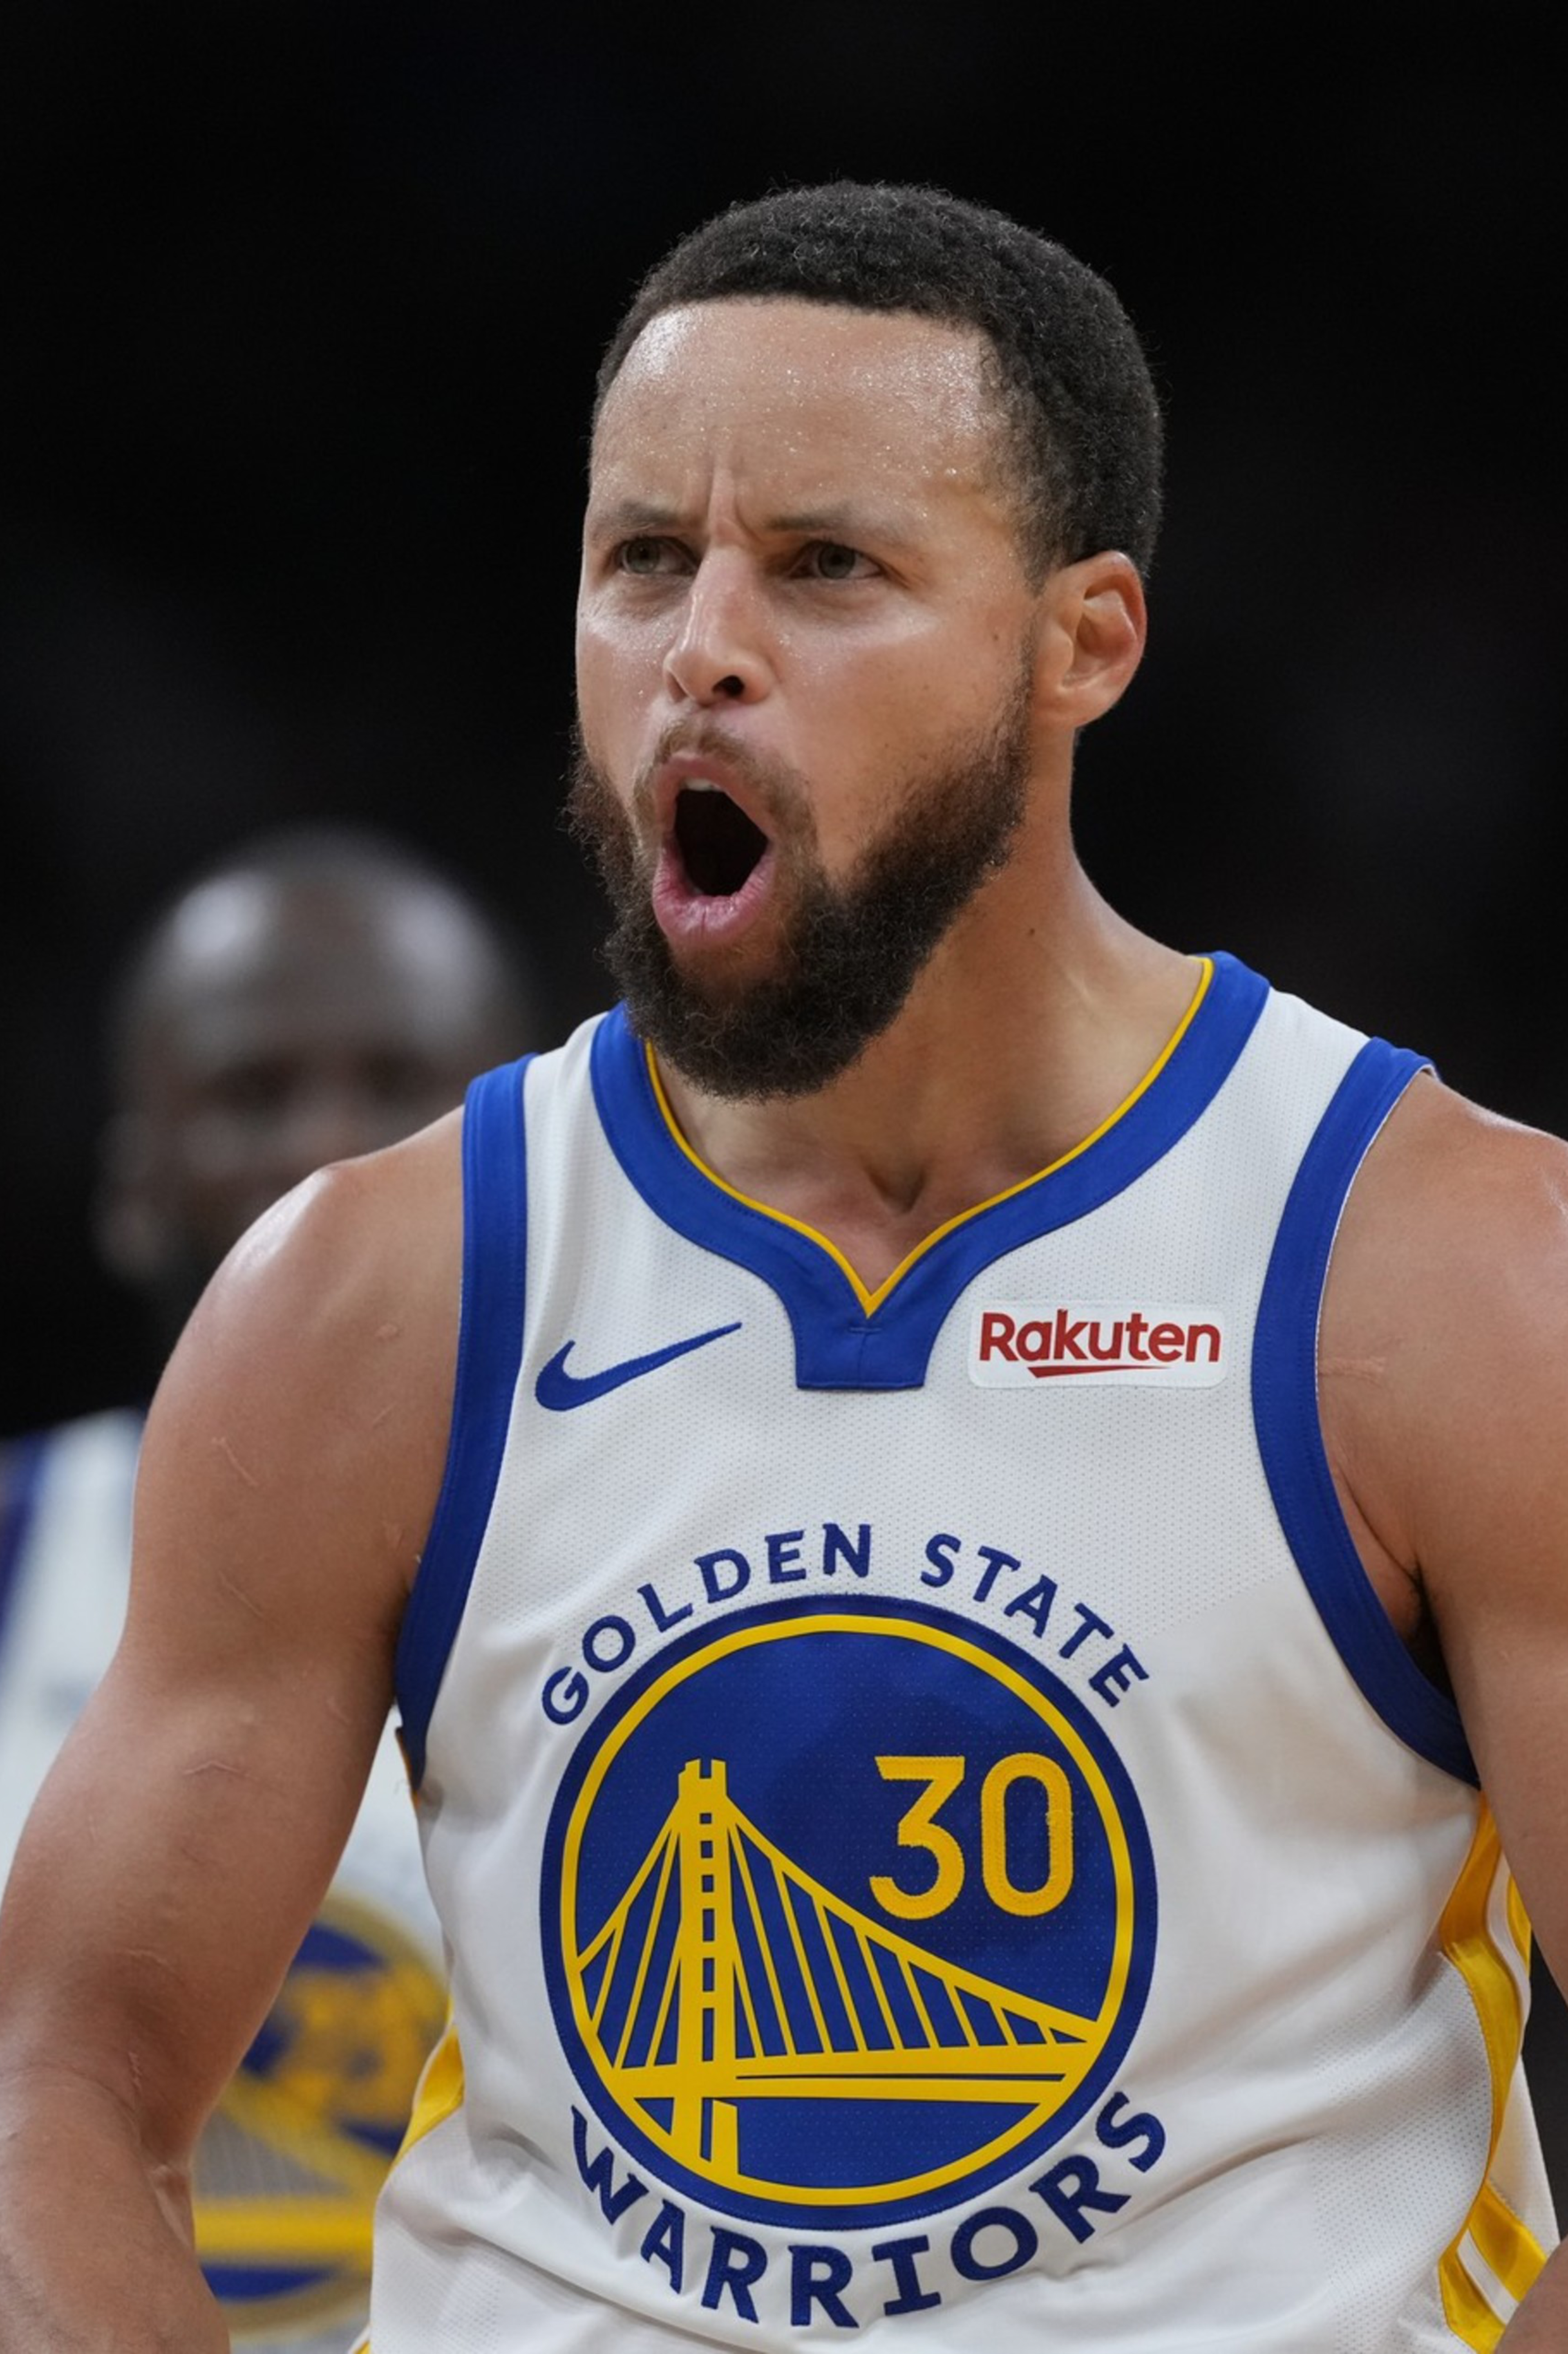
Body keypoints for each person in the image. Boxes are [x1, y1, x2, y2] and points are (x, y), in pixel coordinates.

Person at [0, 180, 1564, 2354]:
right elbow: (56, 2097)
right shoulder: (379, 1296)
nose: (695, 649)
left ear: (1080, 641)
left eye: (822, 566)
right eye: (643, 559)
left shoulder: (1446, 1276)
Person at [0, 822, 538, 2352]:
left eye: (396, 1086)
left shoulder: (694, 1550)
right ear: (130, 1191)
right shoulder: (14, 1555)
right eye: (253, 1093)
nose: (330, 1159)